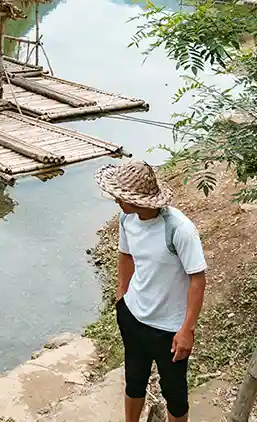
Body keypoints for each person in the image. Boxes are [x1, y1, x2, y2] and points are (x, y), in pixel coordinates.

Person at [95, 161, 207, 422]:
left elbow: (198, 279)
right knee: (134, 381)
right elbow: (126, 256)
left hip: (169, 329)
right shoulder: (127, 219)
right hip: (133, 317)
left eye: (120, 196)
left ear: (138, 200)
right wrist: (122, 295)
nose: (116, 201)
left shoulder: (178, 229)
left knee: (175, 395)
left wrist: (186, 329)